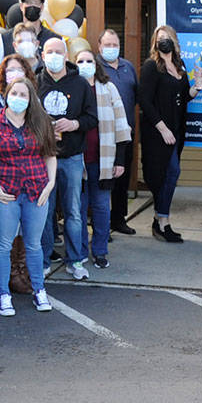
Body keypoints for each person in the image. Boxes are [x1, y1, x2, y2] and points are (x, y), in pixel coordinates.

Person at [0, 77, 56, 316]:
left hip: (36, 190)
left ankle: (39, 290)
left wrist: (50, 184)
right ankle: (3, 294)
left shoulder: (40, 121)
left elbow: (50, 155)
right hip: (5, 192)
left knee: (33, 244)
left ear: (31, 98)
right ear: (6, 95)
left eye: (24, 95)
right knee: (3, 244)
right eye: (15, 93)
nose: (18, 99)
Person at [138, 25, 202, 242]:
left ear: (175, 41)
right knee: (167, 174)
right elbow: (145, 102)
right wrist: (162, 128)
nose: (164, 41)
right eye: (160, 38)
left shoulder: (180, 65)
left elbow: (184, 96)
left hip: (177, 130)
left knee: (170, 175)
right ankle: (162, 221)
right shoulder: (151, 66)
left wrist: (197, 87)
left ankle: (160, 219)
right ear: (155, 42)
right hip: (157, 132)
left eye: (168, 37)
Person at [37, 36, 98, 279]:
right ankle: (43, 259)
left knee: (73, 211)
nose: (53, 56)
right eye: (49, 52)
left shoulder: (81, 84)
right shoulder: (35, 82)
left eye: (58, 52)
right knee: (45, 211)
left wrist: (73, 124)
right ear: (43, 56)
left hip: (72, 157)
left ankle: (75, 260)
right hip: (43, 158)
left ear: (66, 56)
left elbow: (92, 118)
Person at [76, 47, 131, 269]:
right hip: (76, 161)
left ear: (96, 64)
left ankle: (99, 251)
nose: (85, 65)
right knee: (77, 210)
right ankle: (78, 252)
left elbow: (121, 126)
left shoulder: (109, 88)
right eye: (80, 61)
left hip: (103, 160)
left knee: (100, 208)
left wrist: (120, 160)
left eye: (89, 61)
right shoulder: (72, 89)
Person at [98, 29, 139, 235]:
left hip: (125, 133)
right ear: (99, 47)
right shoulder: (94, 67)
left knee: (123, 178)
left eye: (115, 45)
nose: (111, 49)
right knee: (105, 180)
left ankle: (119, 219)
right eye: (107, 45)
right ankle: (101, 224)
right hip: (103, 134)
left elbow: (137, 95)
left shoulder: (128, 67)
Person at [0, 0, 59, 64]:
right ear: (21, 6)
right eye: (28, 3)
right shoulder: (4, 39)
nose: (32, 6)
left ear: (42, 7)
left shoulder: (55, 39)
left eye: (36, 3)